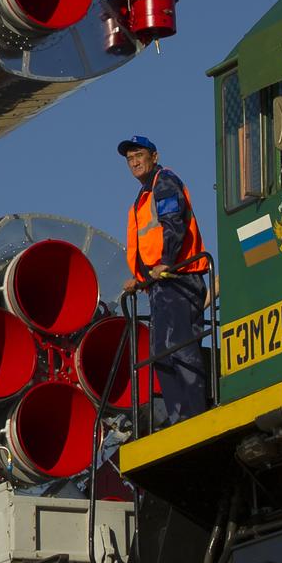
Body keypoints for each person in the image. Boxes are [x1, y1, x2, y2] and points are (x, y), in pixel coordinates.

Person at [120, 136, 211, 426]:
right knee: (161, 353)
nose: (134, 161)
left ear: (154, 157)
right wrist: (140, 279)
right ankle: (179, 418)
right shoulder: (143, 197)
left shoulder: (165, 182)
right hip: (160, 285)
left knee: (179, 346)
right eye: (130, 157)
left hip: (180, 279)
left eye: (139, 155)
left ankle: (193, 415)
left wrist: (167, 263)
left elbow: (174, 223)